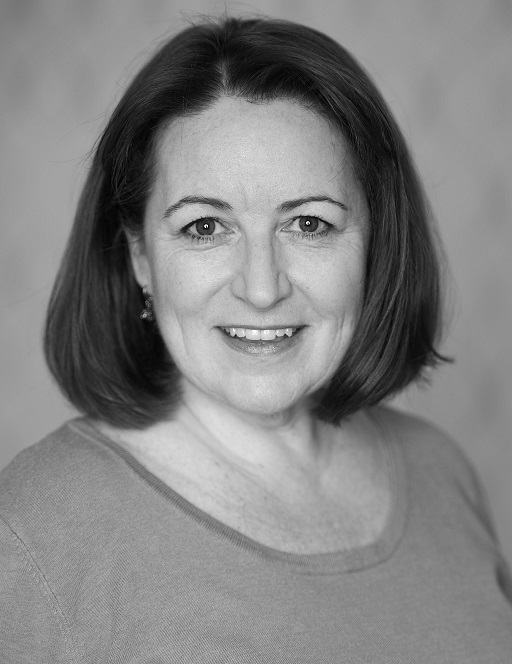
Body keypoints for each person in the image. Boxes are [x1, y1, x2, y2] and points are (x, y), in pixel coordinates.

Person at [1, 15, 511, 663]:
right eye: (205, 228)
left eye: (309, 223)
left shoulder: (441, 471)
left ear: (374, 244)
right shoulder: (31, 533)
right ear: (139, 257)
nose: (263, 288)